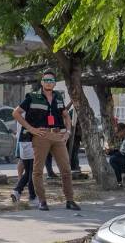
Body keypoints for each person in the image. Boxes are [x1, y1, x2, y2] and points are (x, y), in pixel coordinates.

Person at [13, 71, 80, 211]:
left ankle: (70, 200)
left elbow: (66, 116)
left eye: (51, 80)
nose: (49, 82)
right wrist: (31, 129)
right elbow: (16, 113)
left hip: (57, 136)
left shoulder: (58, 97)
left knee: (66, 169)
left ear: (55, 83)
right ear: (42, 82)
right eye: (46, 80)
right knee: (37, 171)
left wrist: (67, 132)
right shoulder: (32, 97)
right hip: (41, 136)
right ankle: (42, 201)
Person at [10, 122, 37, 206]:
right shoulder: (30, 113)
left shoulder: (20, 113)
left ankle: (17, 191)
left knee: (29, 171)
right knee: (32, 171)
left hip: (22, 143)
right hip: (31, 143)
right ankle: (32, 196)